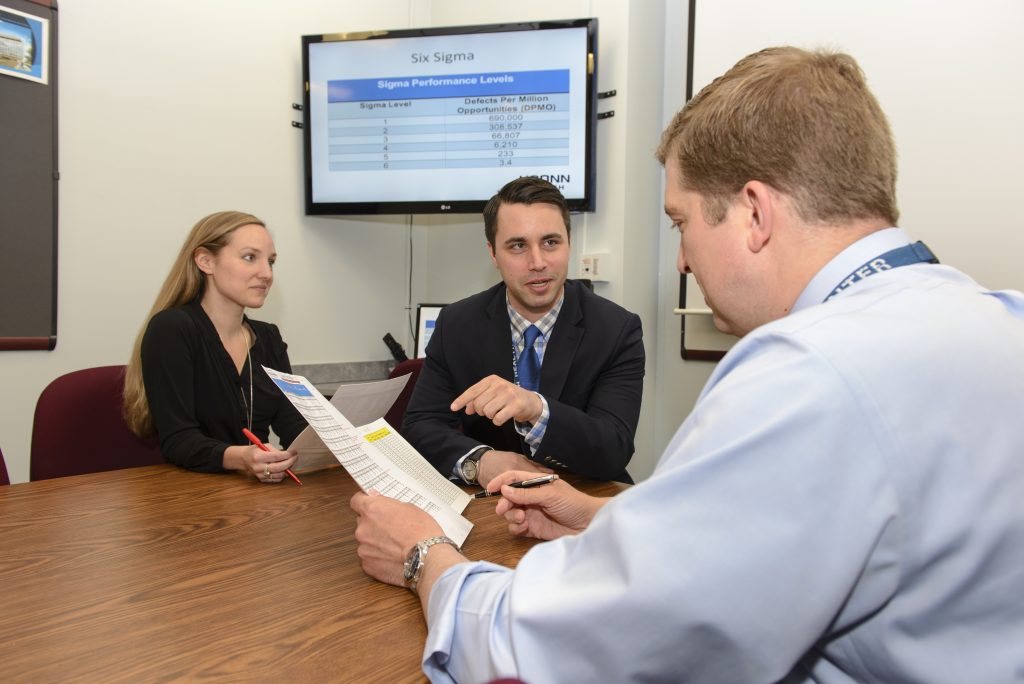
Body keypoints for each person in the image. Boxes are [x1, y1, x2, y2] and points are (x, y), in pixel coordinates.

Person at [349, 47, 1024, 682]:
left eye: (681, 223)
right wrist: (598, 516)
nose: (682, 261)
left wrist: (422, 555)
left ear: (754, 212)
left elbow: (554, 649)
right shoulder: (998, 316)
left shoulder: (806, 375)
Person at [402, 176, 645, 485]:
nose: (538, 262)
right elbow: (422, 424)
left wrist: (536, 409)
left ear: (569, 243)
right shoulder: (457, 324)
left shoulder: (615, 330)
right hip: (491, 503)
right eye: (518, 245)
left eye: (550, 242)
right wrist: (481, 462)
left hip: (585, 495)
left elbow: (613, 449)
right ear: (493, 253)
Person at [123, 211, 305, 482]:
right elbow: (179, 440)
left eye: (271, 261)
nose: (266, 273)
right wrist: (242, 458)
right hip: (193, 495)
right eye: (249, 257)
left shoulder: (269, 338)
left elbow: (294, 427)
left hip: (259, 495)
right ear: (206, 261)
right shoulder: (172, 329)